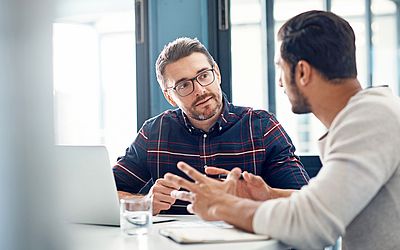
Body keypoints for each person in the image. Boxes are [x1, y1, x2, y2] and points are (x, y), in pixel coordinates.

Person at [165, 10, 400, 249]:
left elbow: (311, 225)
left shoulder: (369, 120)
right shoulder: (372, 114)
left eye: (280, 68)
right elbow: (329, 203)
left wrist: (221, 205)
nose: (279, 82)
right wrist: (268, 195)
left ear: (302, 72)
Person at [112, 37, 309, 215]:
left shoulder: (262, 126)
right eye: (183, 85)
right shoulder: (153, 133)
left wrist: (263, 195)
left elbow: (305, 201)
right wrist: (144, 203)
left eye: (204, 75)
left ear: (217, 73)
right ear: (169, 96)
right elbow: (105, 195)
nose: (200, 90)